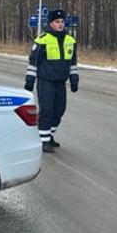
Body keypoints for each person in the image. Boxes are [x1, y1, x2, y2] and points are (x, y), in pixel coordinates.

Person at [24, 9, 79, 153]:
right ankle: (44, 141)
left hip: (61, 82)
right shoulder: (42, 40)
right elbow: (33, 62)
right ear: (50, 23)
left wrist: (74, 79)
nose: (60, 24)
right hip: (46, 82)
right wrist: (30, 81)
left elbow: (73, 63)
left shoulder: (70, 40)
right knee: (47, 111)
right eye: (57, 22)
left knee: (59, 110)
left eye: (62, 22)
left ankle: (50, 135)